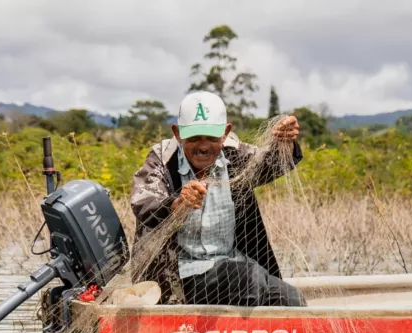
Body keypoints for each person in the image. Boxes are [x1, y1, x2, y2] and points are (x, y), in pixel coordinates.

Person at [130, 90, 306, 307]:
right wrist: (177, 203)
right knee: (248, 280)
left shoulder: (234, 155)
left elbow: (272, 163)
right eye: (194, 138)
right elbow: (144, 202)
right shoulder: (162, 159)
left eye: (212, 137)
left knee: (291, 300)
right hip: (178, 277)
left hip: (233, 267)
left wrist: (285, 142)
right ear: (177, 134)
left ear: (225, 133)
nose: (203, 146)